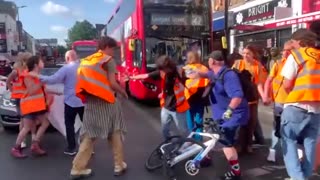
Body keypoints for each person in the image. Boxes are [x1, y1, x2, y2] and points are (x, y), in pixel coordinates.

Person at [70, 36, 128, 179]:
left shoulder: (86, 61)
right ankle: (118, 165)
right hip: (108, 102)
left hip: (91, 104)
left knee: (89, 136)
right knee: (115, 133)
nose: (113, 52)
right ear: (107, 47)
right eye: (113, 48)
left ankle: (77, 168)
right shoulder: (108, 60)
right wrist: (123, 92)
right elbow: (113, 83)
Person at [194, 51, 248, 180]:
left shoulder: (229, 75)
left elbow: (237, 95)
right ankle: (206, 158)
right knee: (211, 135)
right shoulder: (215, 73)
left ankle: (236, 173)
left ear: (212, 61)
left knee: (226, 143)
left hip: (232, 115)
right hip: (220, 114)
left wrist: (229, 111)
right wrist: (194, 73)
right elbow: (206, 74)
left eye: (208, 61)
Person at [280, 29, 320, 180]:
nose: (292, 44)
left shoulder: (297, 55)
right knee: (310, 144)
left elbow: (287, 83)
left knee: (289, 141)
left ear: (301, 42)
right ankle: (305, 175)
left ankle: (297, 177)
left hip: (296, 105)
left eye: (293, 41)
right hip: (316, 109)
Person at [29, 50, 84, 156]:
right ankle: (88, 147)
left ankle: (71, 148)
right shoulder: (83, 67)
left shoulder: (66, 68)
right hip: (83, 101)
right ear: (76, 57)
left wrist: (38, 76)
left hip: (70, 101)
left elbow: (53, 79)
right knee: (86, 125)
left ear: (67, 58)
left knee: (69, 125)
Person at [263, 41, 304, 162]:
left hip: (295, 102)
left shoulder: (300, 64)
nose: (284, 52)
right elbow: (269, 80)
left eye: (288, 50)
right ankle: (273, 152)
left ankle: (298, 154)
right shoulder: (278, 63)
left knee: (296, 128)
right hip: (280, 101)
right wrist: (266, 95)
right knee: (277, 127)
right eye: (284, 50)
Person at [130, 56, 189, 140]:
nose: (162, 71)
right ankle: (170, 143)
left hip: (178, 108)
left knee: (183, 131)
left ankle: (190, 146)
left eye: (163, 69)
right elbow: (146, 76)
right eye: (161, 69)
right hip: (166, 107)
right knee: (165, 129)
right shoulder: (162, 72)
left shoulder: (179, 72)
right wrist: (132, 77)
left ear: (169, 66)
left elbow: (189, 79)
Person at [10, 56, 50, 158]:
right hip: (30, 105)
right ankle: (16, 148)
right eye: (41, 61)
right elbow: (32, 91)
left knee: (44, 123)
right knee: (27, 127)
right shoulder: (28, 75)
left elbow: (44, 90)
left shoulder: (37, 75)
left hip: (36, 105)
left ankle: (35, 144)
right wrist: (41, 82)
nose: (43, 62)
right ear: (36, 64)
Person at [232, 45, 268, 153]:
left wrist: (264, 96)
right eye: (244, 53)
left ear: (253, 54)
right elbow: (231, 79)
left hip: (252, 98)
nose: (245, 55)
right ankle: (239, 145)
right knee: (240, 122)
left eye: (248, 53)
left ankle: (248, 144)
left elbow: (259, 84)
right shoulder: (238, 63)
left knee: (251, 123)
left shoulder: (258, 66)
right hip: (240, 97)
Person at [6, 52, 35, 149]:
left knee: (28, 120)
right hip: (20, 98)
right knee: (23, 120)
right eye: (30, 59)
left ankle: (31, 139)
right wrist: (12, 91)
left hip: (27, 97)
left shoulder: (27, 70)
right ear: (25, 60)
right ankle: (22, 141)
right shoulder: (16, 71)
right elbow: (8, 81)